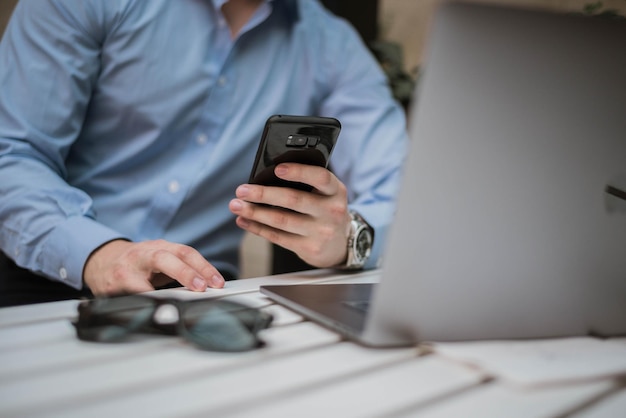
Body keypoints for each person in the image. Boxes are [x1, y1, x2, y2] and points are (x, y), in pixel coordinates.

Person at [0, 0, 408, 307]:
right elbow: (11, 153)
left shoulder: (329, 43)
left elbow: (405, 192)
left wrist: (349, 238)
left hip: (197, 297)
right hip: (41, 274)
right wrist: (100, 255)